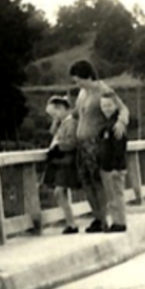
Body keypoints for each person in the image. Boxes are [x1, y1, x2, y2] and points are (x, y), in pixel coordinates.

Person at [69, 59, 129, 233]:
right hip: (82, 144)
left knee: (100, 182)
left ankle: (109, 219)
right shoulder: (82, 93)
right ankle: (98, 218)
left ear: (88, 76)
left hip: (96, 142)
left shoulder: (103, 90)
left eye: (79, 79)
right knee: (87, 182)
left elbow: (123, 109)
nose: (77, 83)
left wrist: (121, 122)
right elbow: (76, 114)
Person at [43, 95, 80, 234]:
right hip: (61, 161)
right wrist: (55, 121)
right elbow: (52, 133)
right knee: (60, 192)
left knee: (60, 191)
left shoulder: (71, 123)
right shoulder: (62, 123)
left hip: (67, 161)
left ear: (63, 109)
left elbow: (72, 142)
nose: (54, 116)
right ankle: (70, 222)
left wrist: (58, 147)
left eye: (55, 113)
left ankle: (71, 223)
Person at [99, 92, 128, 232]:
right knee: (112, 196)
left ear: (116, 106)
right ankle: (115, 221)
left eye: (109, 105)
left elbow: (119, 148)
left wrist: (116, 167)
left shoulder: (117, 125)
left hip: (114, 167)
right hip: (107, 167)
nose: (106, 108)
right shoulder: (107, 124)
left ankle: (120, 223)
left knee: (117, 195)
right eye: (103, 105)